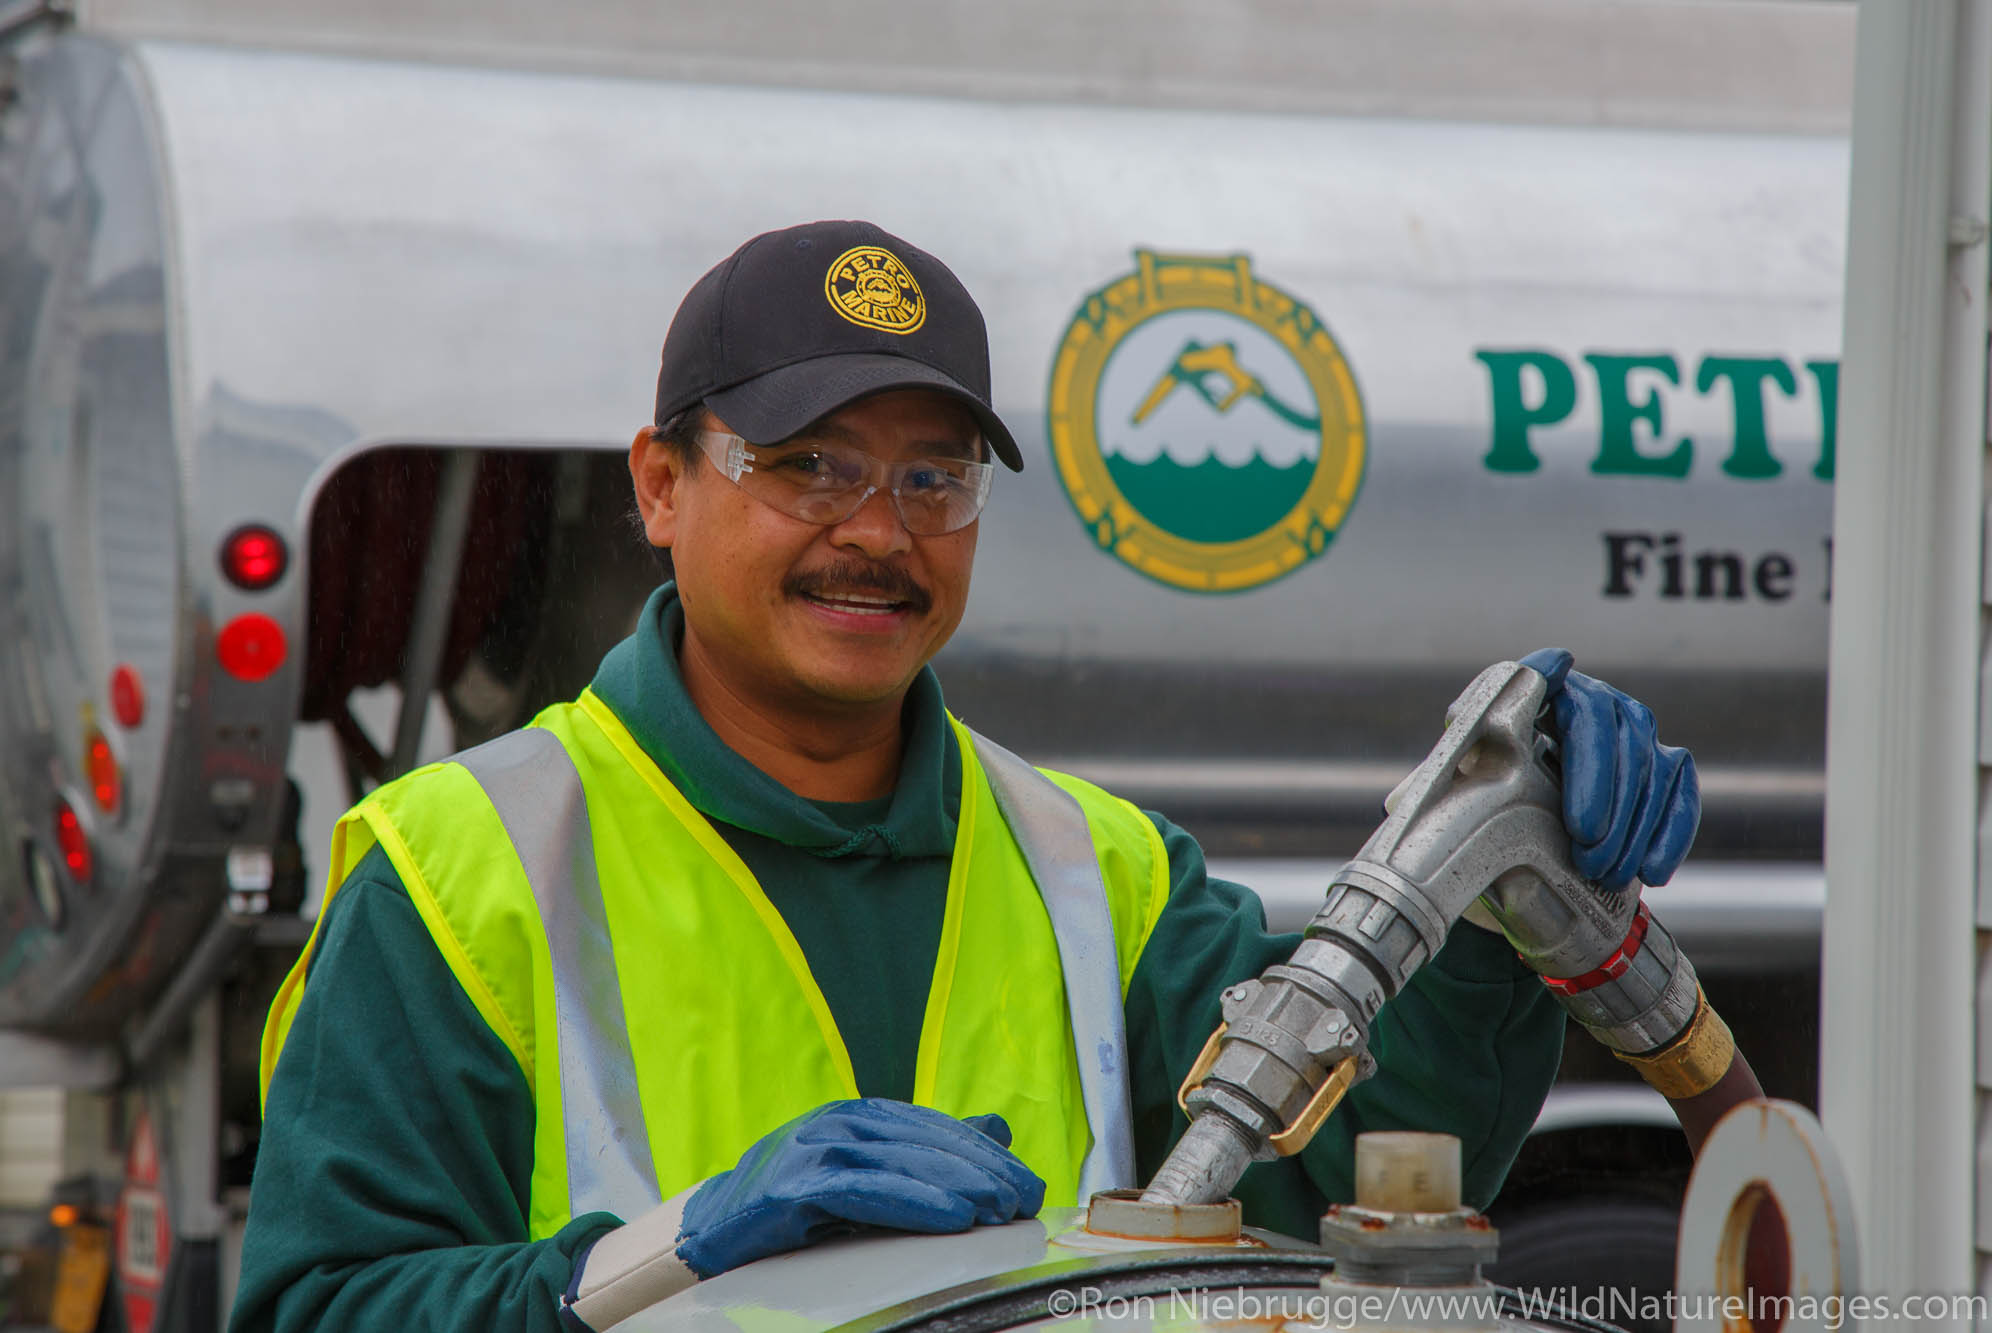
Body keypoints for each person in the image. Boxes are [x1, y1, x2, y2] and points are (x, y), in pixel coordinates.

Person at [228, 220, 1699, 1333]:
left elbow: (1347, 1182)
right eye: (810, 464)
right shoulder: (459, 869)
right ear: (662, 484)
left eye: (935, 477)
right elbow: (320, 1309)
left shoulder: (1099, 869)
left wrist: (1504, 896)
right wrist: (673, 1246)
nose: (880, 530)